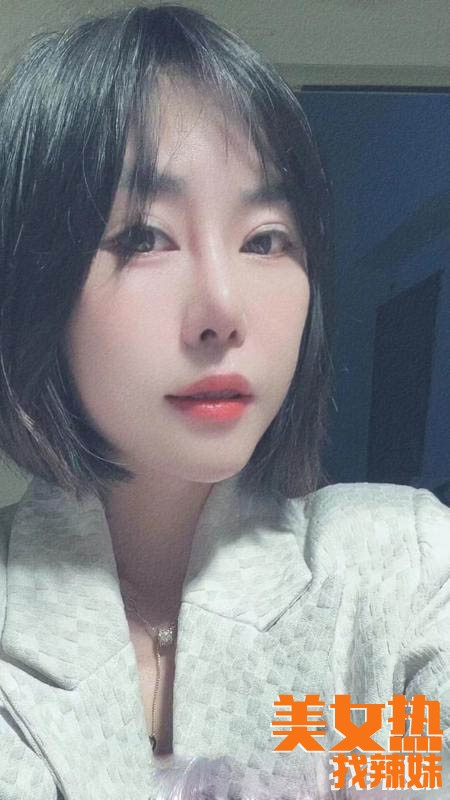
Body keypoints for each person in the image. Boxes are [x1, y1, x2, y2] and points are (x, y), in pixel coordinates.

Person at [0, 4, 448, 799]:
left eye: (266, 239)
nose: (223, 308)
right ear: (35, 285)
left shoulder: (403, 569)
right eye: (144, 237)